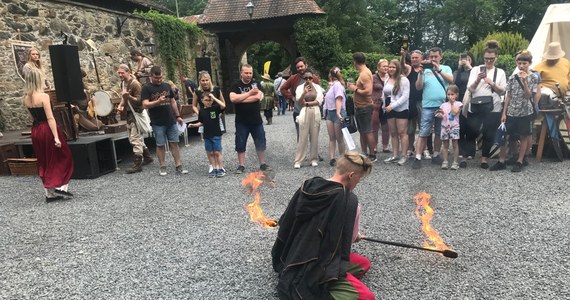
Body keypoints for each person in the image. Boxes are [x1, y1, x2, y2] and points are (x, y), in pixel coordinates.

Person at [272, 151, 374, 300]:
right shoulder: (349, 201)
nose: (358, 184)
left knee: (363, 263)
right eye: (359, 179)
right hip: (319, 264)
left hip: (291, 255)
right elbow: (347, 241)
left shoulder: (308, 186)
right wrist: (356, 236)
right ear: (351, 175)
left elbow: (287, 222)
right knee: (367, 297)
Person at [24, 68, 74, 201]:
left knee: (44, 160)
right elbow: (50, 118)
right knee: (62, 156)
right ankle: (60, 189)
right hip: (47, 129)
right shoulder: (44, 96)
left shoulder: (26, 99)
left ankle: (49, 192)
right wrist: (56, 137)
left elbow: (31, 117)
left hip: (36, 130)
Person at [490, 51, 540, 172]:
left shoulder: (533, 77)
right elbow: (508, 96)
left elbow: (529, 95)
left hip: (525, 112)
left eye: (524, 63)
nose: (522, 65)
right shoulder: (512, 77)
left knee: (523, 136)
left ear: (529, 63)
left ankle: (520, 160)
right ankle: (501, 160)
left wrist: (525, 82)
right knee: (505, 135)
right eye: (519, 63)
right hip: (511, 111)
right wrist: (504, 112)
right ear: (516, 63)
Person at [465, 40, 507, 169]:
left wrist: (492, 83)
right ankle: (467, 154)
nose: (489, 61)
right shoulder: (475, 70)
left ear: (496, 58)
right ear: (483, 58)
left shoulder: (500, 72)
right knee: (472, 130)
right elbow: (470, 89)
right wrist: (478, 79)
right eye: (486, 58)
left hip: (493, 105)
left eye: (491, 59)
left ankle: (484, 158)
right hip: (476, 104)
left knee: (489, 133)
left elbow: (503, 90)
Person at [141, 66, 188, 176]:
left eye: (161, 77)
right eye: (156, 77)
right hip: (157, 122)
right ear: (151, 76)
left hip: (170, 120)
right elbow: (145, 104)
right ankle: (162, 166)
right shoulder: (146, 88)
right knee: (160, 144)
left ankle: (178, 165)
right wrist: (157, 102)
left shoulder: (166, 86)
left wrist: (178, 116)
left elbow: (172, 102)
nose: (159, 79)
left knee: (174, 143)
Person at [412, 47, 454, 169]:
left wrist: (438, 69)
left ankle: (435, 155)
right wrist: (420, 73)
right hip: (427, 106)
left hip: (442, 105)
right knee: (424, 132)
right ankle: (418, 157)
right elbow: (418, 87)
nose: (433, 59)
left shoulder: (446, 68)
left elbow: (451, 80)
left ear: (441, 56)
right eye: (431, 57)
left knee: (439, 132)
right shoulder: (425, 70)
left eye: (436, 56)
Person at [229, 64, 272, 174]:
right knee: (240, 143)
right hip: (241, 121)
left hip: (256, 120)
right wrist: (249, 94)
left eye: (250, 73)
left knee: (260, 142)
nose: (248, 75)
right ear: (241, 73)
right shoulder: (235, 85)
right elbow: (232, 99)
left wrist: (241, 98)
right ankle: (241, 165)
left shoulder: (256, 84)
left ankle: (262, 164)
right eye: (246, 73)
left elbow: (258, 97)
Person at [116, 64, 154, 174]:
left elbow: (139, 101)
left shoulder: (135, 84)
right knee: (136, 137)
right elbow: (124, 96)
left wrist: (129, 97)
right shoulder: (123, 83)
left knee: (134, 138)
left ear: (128, 72)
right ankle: (147, 157)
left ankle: (138, 164)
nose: (120, 75)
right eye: (119, 73)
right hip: (129, 114)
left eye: (122, 73)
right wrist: (121, 105)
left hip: (136, 113)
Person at [192, 70, 227, 173]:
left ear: (210, 80)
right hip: (204, 116)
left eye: (207, 80)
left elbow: (223, 103)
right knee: (208, 143)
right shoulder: (197, 91)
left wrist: (219, 113)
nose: (205, 82)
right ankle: (212, 165)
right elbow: (193, 105)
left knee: (217, 143)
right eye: (203, 80)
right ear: (200, 81)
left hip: (216, 116)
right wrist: (199, 113)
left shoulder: (216, 89)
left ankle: (220, 165)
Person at [280, 57, 321, 141]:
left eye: (301, 66)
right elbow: (282, 88)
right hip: (298, 111)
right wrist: (292, 97)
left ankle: (314, 152)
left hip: (312, 110)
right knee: (301, 134)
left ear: (306, 65)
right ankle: (301, 153)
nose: (300, 68)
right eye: (298, 67)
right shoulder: (293, 78)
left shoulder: (314, 78)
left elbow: (319, 92)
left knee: (313, 134)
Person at [188, 92, 226, 177]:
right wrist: (194, 125)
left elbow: (223, 106)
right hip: (207, 135)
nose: (208, 102)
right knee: (211, 153)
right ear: (202, 100)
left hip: (216, 133)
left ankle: (220, 168)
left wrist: (214, 97)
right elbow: (201, 122)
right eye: (206, 100)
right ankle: (214, 167)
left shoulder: (216, 108)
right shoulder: (201, 111)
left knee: (217, 152)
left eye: (210, 100)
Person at [347, 52, 376, 161]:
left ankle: (372, 154)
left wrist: (355, 89)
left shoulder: (364, 74)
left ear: (355, 62)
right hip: (360, 106)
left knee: (367, 130)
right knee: (362, 131)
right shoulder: (364, 72)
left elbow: (368, 91)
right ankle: (364, 152)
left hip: (365, 107)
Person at [293, 68, 323, 169]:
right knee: (302, 137)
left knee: (314, 137)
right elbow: (299, 101)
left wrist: (306, 103)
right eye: (306, 78)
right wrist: (304, 93)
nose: (308, 80)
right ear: (303, 78)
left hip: (315, 111)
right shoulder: (300, 88)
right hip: (304, 112)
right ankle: (299, 160)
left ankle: (313, 159)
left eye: (310, 77)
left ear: (313, 77)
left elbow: (319, 101)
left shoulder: (317, 87)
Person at [383, 59, 410, 165]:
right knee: (393, 133)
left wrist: (393, 105)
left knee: (402, 133)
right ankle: (395, 155)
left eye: (393, 67)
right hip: (389, 107)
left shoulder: (404, 80)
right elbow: (384, 94)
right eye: (390, 67)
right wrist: (384, 106)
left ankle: (404, 155)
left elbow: (405, 96)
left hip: (401, 108)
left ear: (398, 68)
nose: (391, 69)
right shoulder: (387, 79)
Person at [453, 52, 475, 168]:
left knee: (471, 127)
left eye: (467, 59)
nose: (464, 61)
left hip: (471, 100)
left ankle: (471, 151)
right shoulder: (457, 72)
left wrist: (469, 67)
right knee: (460, 126)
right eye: (462, 59)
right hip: (460, 100)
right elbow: (455, 85)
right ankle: (462, 151)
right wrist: (459, 68)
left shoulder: (474, 71)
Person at [402, 49, 424, 157]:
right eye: (413, 58)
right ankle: (410, 148)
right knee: (410, 128)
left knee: (423, 127)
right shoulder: (409, 69)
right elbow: (402, 66)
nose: (414, 59)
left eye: (416, 57)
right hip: (410, 101)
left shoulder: (424, 70)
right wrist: (403, 56)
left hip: (422, 101)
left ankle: (423, 149)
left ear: (421, 59)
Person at [323, 67, 347, 167]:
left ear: (331, 75)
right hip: (330, 112)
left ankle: (342, 158)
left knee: (339, 137)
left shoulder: (337, 85)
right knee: (332, 137)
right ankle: (332, 158)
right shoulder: (332, 85)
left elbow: (339, 98)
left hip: (337, 111)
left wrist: (338, 112)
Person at [436, 84, 463, 170]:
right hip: (444, 127)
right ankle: (445, 161)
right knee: (445, 145)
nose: (450, 96)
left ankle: (455, 162)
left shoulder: (459, 104)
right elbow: (441, 114)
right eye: (448, 94)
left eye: (452, 94)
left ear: (456, 95)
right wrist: (439, 114)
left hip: (454, 127)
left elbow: (454, 113)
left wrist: (452, 103)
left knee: (455, 144)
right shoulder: (443, 105)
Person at [372, 59, 390, 154]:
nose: (386, 68)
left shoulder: (390, 78)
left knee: (386, 126)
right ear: (378, 67)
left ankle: (385, 146)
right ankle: (374, 146)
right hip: (376, 104)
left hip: (387, 105)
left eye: (387, 66)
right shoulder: (373, 77)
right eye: (384, 66)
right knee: (374, 125)